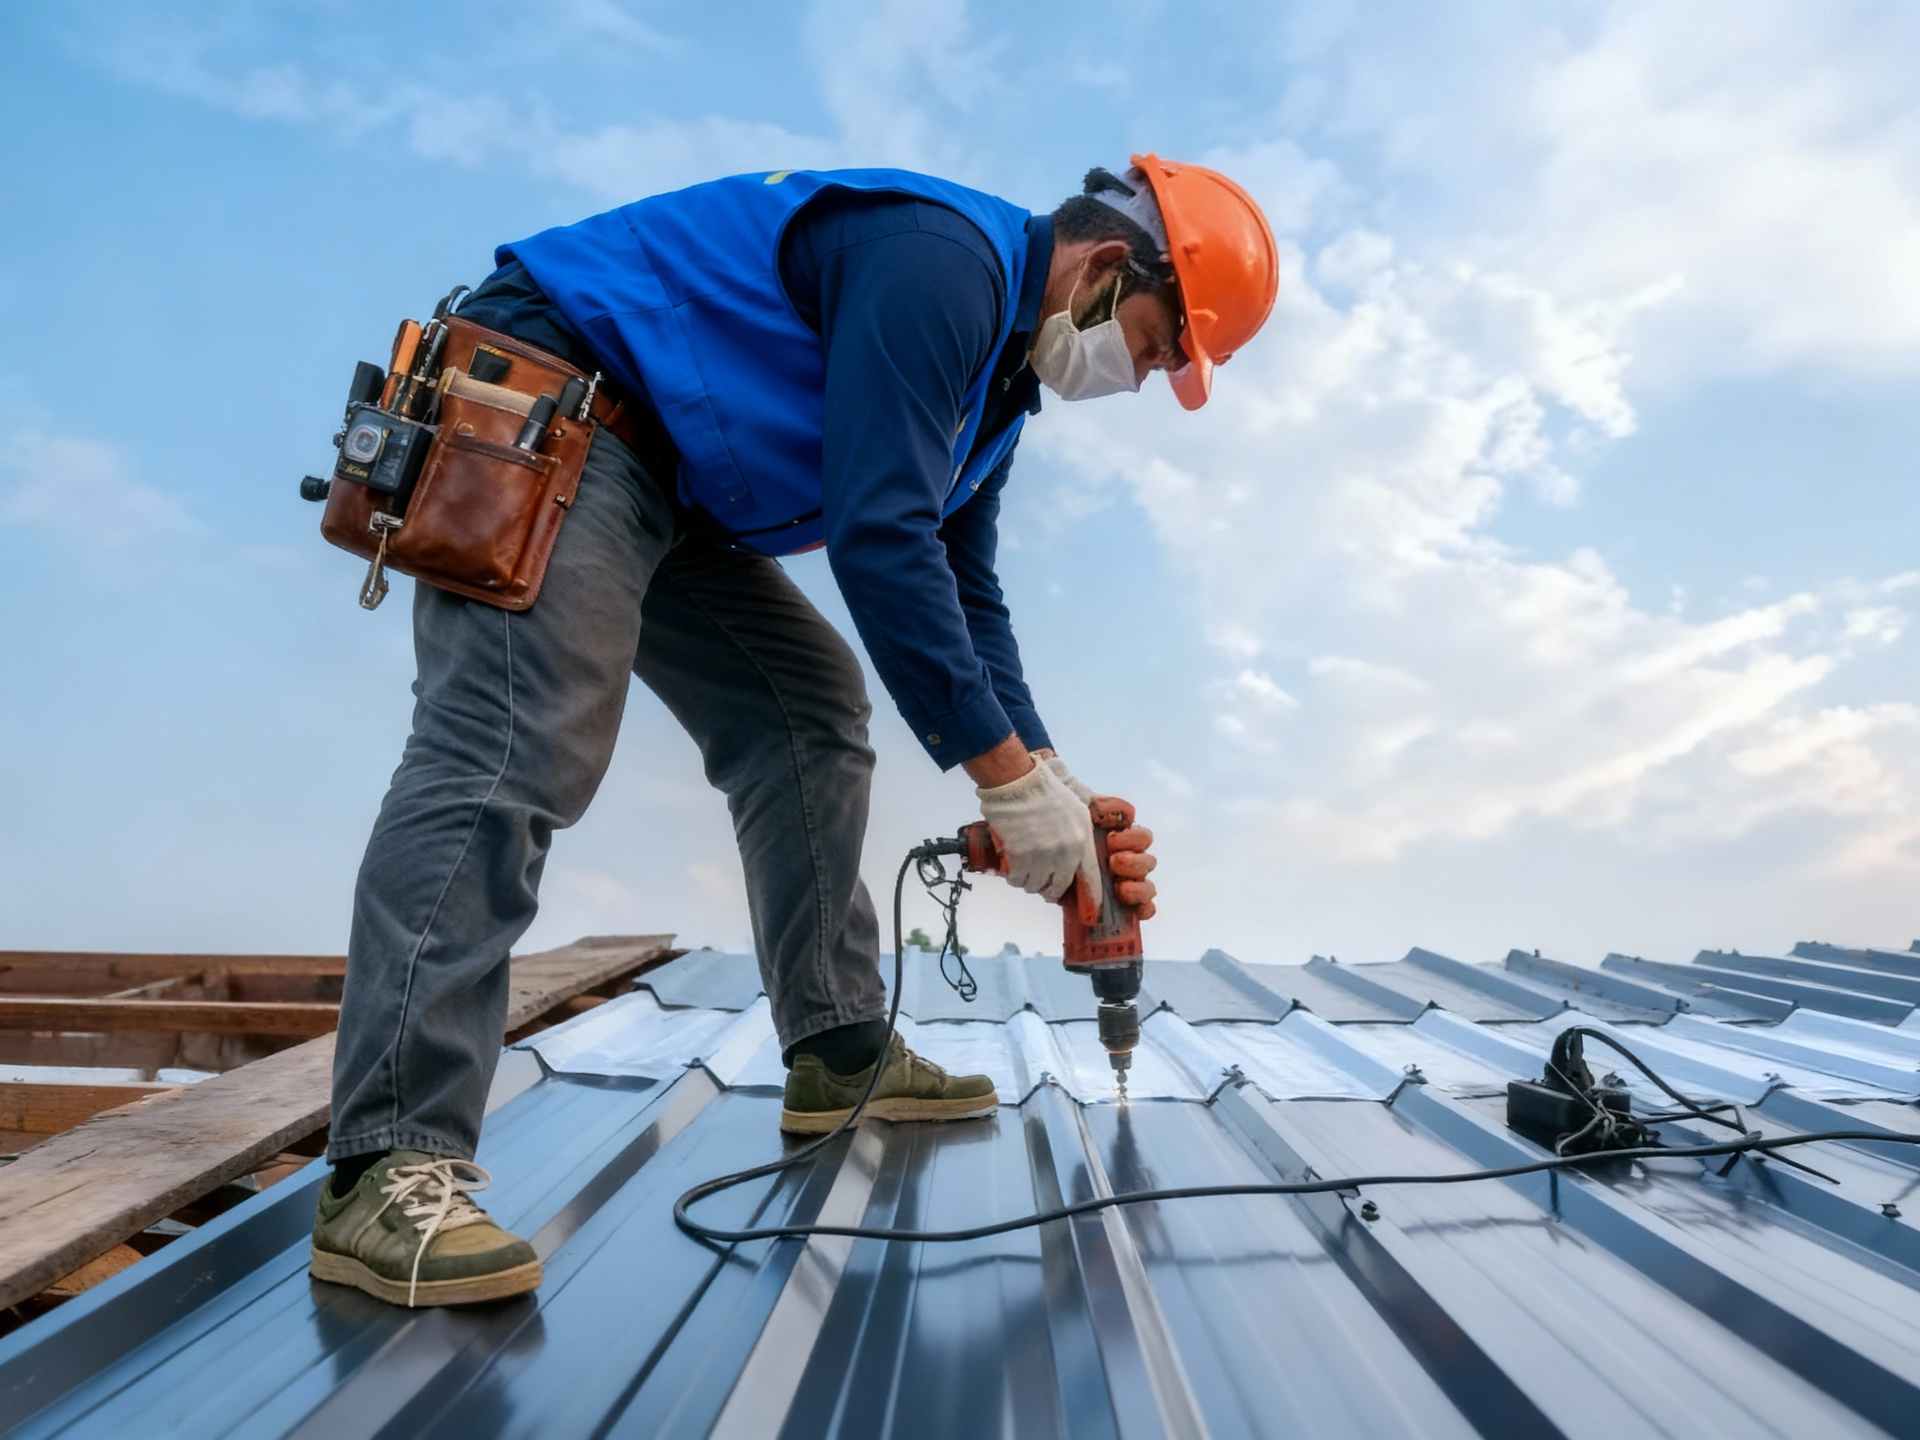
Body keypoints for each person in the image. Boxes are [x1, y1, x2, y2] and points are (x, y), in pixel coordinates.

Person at [307, 156, 1279, 1308]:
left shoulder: (996, 393)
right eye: (1163, 344)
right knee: (514, 742)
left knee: (808, 706)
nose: (1149, 374)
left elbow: (968, 592)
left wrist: (1046, 779)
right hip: (564, 393)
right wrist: (1003, 780)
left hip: (667, 473)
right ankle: (387, 1165)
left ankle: (836, 1048)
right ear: (1112, 266)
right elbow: (881, 539)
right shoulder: (940, 265)